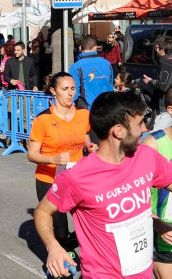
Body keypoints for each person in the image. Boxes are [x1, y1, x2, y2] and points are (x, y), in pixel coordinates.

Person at [34, 91, 172, 278]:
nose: (145, 129)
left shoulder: (146, 157)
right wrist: (53, 246)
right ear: (118, 131)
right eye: (140, 123)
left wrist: (158, 223)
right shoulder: (77, 177)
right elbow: (42, 211)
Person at [27, 72, 96, 251]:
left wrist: (89, 145)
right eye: (65, 89)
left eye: (73, 89)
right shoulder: (43, 119)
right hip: (49, 180)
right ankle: (60, 265)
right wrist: (53, 159)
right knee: (61, 231)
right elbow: (32, 154)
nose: (70, 93)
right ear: (53, 91)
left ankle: (67, 251)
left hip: (77, 177)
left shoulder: (83, 114)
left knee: (90, 224)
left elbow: (85, 135)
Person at [142, 87, 172, 279]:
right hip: (165, 234)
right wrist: (157, 224)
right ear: (171, 110)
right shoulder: (153, 145)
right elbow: (133, 193)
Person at [69, 35, 113, 110]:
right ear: (95, 47)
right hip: (107, 108)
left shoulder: (75, 67)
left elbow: (74, 93)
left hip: (86, 110)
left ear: (80, 47)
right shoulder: (107, 64)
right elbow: (110, 85)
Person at [144, 36, 172, 131]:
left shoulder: (166, 64)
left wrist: (150, 82)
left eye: (156, 48)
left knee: (160, 131)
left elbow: (163, 87)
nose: (155, 50)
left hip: (165, 103)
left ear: (162, 49)